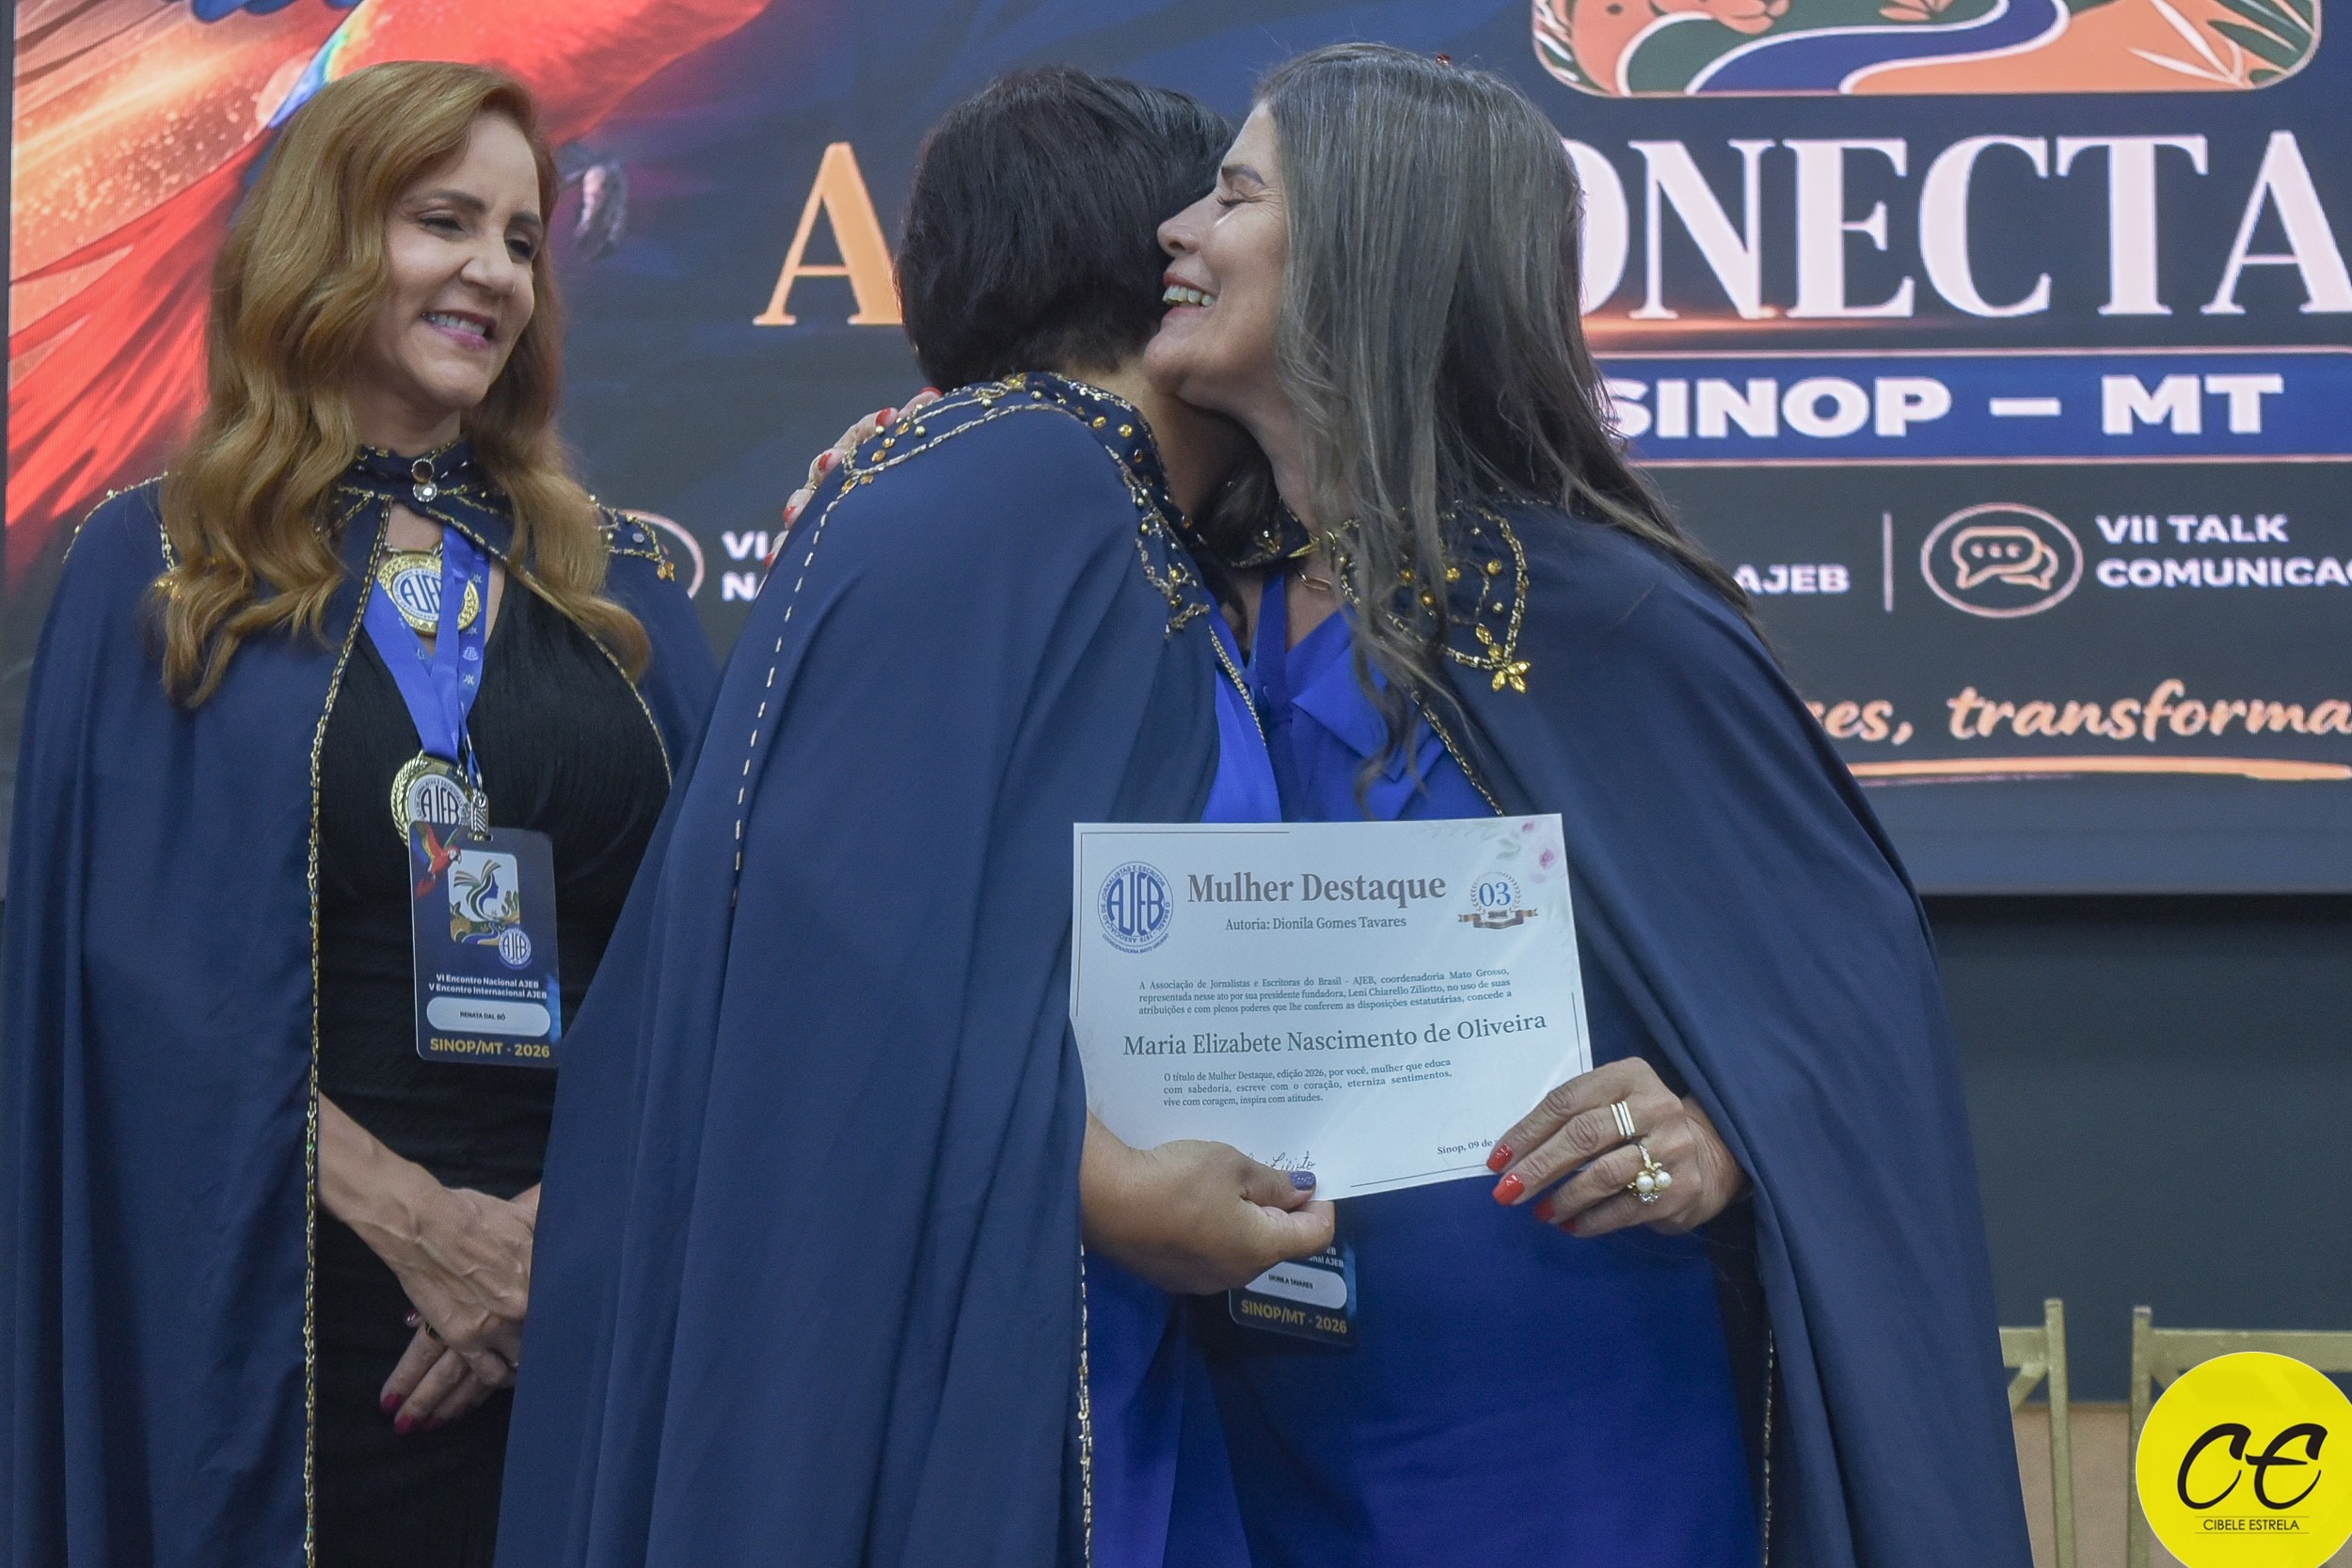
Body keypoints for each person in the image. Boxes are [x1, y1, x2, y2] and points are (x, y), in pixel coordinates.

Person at [1145, 44, 2034, 1568]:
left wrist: (1720, 1136)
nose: (1178, 228)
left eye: (1234, 195)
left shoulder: (1609, 622)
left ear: (1368, 248)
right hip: (1231, 1431)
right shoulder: (1177, 604)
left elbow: (1852, 1012)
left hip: (1564, 1447)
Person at [496, 69, 1327, 1568]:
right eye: (1216, 199)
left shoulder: (1079, 498)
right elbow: (840, 959)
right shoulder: (1032, 484)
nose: (1222, 233)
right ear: (1156, 247)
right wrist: (1106, 1185)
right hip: (977, 1365)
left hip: (1090, 1344)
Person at [1, 62, 715, 1567]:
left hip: (585, 1307)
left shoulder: (622, 588)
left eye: (520, 240)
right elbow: (121, 1004)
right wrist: (416, 1222)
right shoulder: (163, 565)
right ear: (321, 239)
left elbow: (716, 956)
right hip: (281, 1313)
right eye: (442, 221)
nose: (495, 274)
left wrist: (551, 1243)